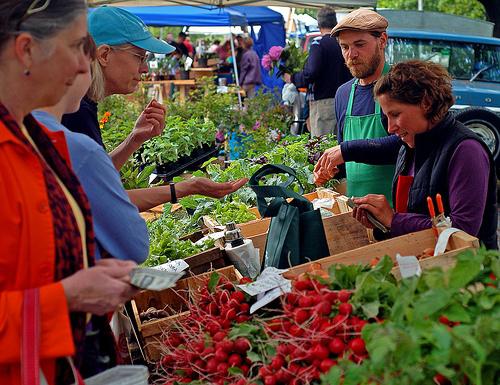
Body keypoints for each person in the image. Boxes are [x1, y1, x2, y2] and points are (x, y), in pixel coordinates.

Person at [0, 2, 138, 384]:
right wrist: (65, 298)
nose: (84, 67)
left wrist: (83, 272)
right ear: (27, 50)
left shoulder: (35, 139)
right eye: (77, 47)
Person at [63, 7, 247, 212]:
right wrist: (185, 188)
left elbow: (95, 176)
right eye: (139, 57)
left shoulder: (81, 105)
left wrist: (134, 139)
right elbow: (99, 199)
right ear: (104, 55)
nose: (145, 68)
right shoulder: (74, 112)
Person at [351, 60, 498, 249]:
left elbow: (463, 230)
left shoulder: (466, 150)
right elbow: (412, 216)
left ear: (426, 103)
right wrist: (382, 224)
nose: (390, 127)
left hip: (467, 273)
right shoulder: (408, 147)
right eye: (386, 117)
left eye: (395, 114)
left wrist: (393, 220)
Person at [313, 8, 400, 204]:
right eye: (344, 47)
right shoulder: (343, 94)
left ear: (382, 40)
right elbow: (350, 160)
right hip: (357, 212)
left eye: (360, 45)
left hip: (398, 214)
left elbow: (405, 145)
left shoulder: (399, 85)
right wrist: (331, 169)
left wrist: (345, 150)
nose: (351, 54)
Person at [284, 6, 352, 137]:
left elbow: (311, 72)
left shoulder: (319, 44)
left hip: (324, 102)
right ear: (335, 22)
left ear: (319, 24)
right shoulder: (344, 43)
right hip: (346, 100)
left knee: (322, 146)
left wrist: (293, 78)